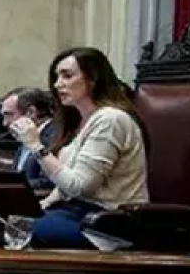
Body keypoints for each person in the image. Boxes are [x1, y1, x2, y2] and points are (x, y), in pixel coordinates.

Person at [17, 47, 149, 249]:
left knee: (22, 229)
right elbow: (66, 183)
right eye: (56, 77)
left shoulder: (111, 120)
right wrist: (45, 203)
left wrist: (36, 146)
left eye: (67, 76)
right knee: (9, 219)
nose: (57, 84)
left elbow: (79, 186)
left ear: (93, 78)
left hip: (106, 224)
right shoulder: (79, 121)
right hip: (77, 212)